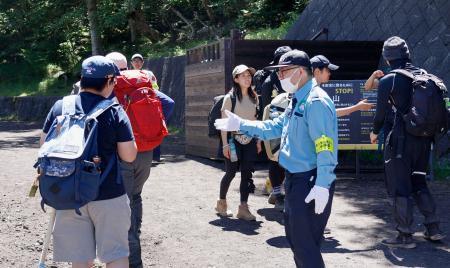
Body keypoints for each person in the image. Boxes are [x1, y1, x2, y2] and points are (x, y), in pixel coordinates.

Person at [215, 50, 338, 268]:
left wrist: (322, 184)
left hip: (310, 180)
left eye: (283, 72)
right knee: (298, 241)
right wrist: (240, 124)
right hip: (294, 179)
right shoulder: (297, 98)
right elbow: (273, 127)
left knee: (304, 245)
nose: (279, 77)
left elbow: (325, 145)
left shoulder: (315, 101)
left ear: (300, 72)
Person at [40, 56, 137, 268]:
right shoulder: (113, 110)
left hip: (68, 192)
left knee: (80, 259)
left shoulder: (60, 107)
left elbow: (44, 145)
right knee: (116, 254)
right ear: (109, 81)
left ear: (82, 79)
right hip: (109, 193)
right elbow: (129, 155)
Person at [370, 36, 445, 248]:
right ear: (408, 54)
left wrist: (375, 133)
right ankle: (433, 228)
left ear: (387, 57)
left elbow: (380, 115)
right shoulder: (423, 76)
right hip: (424, 140)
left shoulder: (389, 80)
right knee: (419, 182)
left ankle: (405, 236)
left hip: (400, 143)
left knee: (400, 187)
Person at [106, 51, 174, 268]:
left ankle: (133, 262)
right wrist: (150, 129)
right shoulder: (142, 81)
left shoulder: (112, 87)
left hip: (123, 152)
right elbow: (169, 103)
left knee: (123, 205)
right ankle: (136, 231)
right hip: (146, 151)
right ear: (126, 65)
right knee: (135, 196)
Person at [215, 64, 262, 221]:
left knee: (247, 174)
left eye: (249, 76)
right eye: (243, 76)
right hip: (232, 140)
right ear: (236, 79)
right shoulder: (230, 98)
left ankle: (243, 208)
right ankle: (221, 203)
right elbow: (223, 123)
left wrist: (258, 140)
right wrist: (225, 145)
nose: (247, 79)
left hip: (250, 140)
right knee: (230, 172)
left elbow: (256, 121)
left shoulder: (255, 97)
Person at [258, 46, 292, 211]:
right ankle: (278, 194)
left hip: (292, 125)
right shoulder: (269, 83)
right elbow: (265, 110)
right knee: (275, 159)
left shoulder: (292, 77)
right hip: (275, 127)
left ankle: (278, 191)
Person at [130, 53, 167, 164]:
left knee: (155, 128)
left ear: (142, 63)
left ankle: (155, 156)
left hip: (148, 105)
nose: (137, 63)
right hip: (135, 106)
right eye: (135, 61)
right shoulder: (127, 73)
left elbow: (155, 88)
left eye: (139, 61)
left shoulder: (149, 73)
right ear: (131, 63)